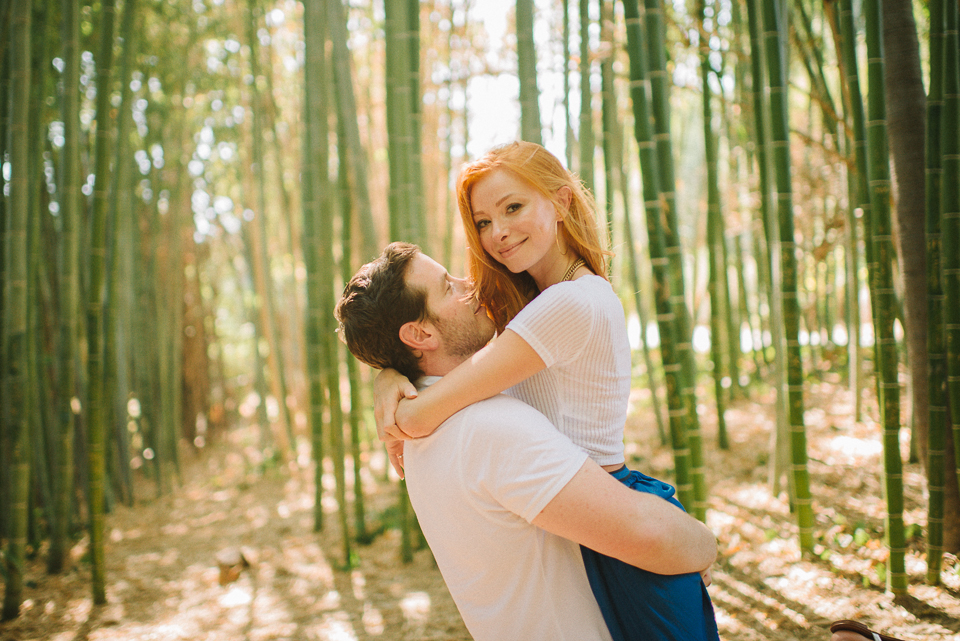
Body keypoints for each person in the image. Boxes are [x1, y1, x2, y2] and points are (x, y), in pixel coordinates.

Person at [373, 141, 718, 641]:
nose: (500, 233)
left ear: (561, 202)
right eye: (484, 222)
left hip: (616, 512)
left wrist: (395, 410)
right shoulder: (526, 303)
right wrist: (388, 374)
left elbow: (431, 410)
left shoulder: (571, 303)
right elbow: (441, 351)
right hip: (585, 513)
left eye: (513, 207)